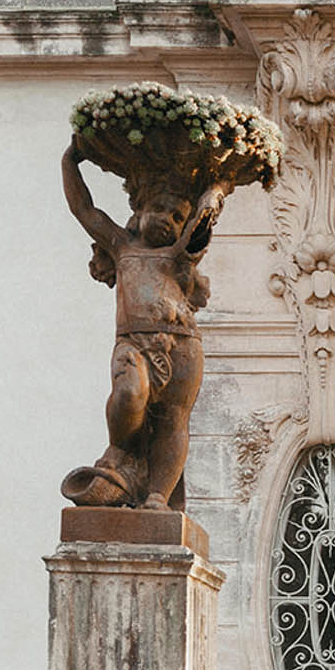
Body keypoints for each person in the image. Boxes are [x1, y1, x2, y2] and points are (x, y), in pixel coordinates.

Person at [60, 139, 229, 511]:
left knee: (173, 419)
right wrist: (71, 161)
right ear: (139, 211)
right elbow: (83, 208)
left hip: (183, 344)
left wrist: (218, 190)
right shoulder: (121, 246)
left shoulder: (180, 253)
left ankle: (158, 497)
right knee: (129, 394)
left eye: (176, 217)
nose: (168, 219)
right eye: (161, 209)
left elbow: (201, 221)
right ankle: (123, 451)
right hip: (134, 342)